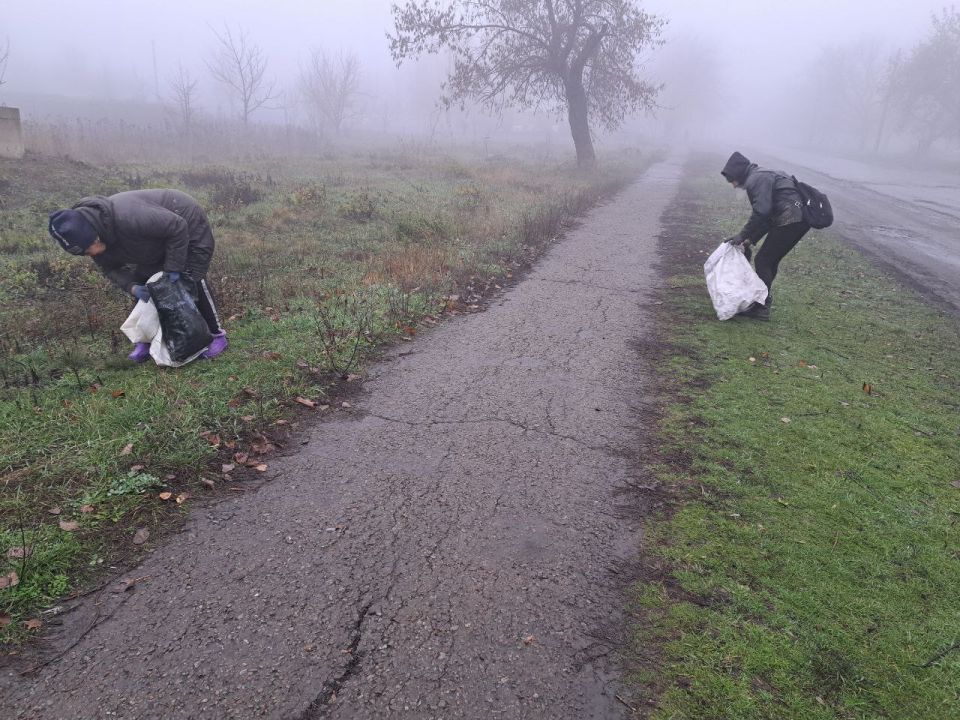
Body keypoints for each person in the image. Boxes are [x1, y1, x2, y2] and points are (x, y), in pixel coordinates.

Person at [48, 189, 228, 361]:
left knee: (192, 277)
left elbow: (177, 226)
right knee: (145, 282)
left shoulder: (129, 217)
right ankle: (145, 340)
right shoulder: (92, 240)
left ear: (96, 236)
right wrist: (132, 287)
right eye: (84, 254)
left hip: (185, 220)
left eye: (88, 250)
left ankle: (216, 334)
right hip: (153, 240)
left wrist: (174, 268)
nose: (91, 255)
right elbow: (111, 269)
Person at [720, 151, 809, 320]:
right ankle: (761, 302)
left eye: (731, 179)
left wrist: (742, 234)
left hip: (791, 218)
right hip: (798, 219)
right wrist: (749, 240)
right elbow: (768, 216)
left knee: (763, 260)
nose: (732, 184)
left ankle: (761, 306)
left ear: (739, 173)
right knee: (769, 260)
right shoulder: (760, 175)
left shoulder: (756, 180)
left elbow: (762, 212)